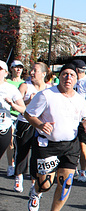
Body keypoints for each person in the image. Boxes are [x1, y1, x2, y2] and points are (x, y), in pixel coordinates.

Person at [24, 62, 86, 211]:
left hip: (70, 145)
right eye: (65, 74)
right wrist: (40, 125)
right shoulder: (47, 95)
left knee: (66, 182)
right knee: (46, 184)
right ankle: (36, 191)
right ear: (59, 77)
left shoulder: (79, 99)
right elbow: (28, 114)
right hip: (47, 145)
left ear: (77, 80)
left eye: (72, 75)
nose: (68, 78)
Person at [13, 62, 53, 193]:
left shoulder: (50, 88)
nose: (31, 72)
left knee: (37, 155)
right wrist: (28, 101)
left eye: (34, 71)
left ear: (43, 74)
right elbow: (15, 104)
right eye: (31, 70)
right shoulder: (25, 86)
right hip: (25, 123)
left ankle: (33, 183)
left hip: (41, 125)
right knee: (22, 151)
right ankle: (19, 178)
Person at [0, 60, 26, 173]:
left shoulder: (10, 88)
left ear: (6, 72)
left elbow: (23, 109)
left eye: (0, 69)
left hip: (4, 127)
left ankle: (11, 165)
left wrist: (12, 104)